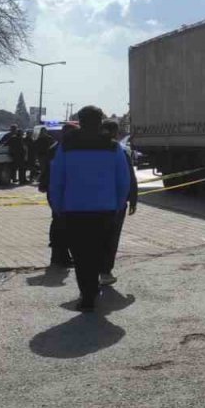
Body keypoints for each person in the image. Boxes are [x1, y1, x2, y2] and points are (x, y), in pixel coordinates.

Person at [49, 108, 129, 310]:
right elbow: (123, 180)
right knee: (99, 251)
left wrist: (57, 206)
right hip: (105, 209)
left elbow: (56, 180)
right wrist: (119, 205)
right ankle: (92, 289)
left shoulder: (66, 146)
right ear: (100, 122)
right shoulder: (113, 147)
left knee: (81, 255)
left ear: (80, 122)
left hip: (73, 209)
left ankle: (87, 295)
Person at [98, 119, 138, 286]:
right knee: (111, 238)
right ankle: (105, 272)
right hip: (114, 204)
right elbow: (128, 178)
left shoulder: (89, 148)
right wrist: (132, 199)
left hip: (90, 202)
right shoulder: (120, 150)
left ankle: (92, 272)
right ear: (116, 132)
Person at [37, 124, 71, 267]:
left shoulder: (56, 147)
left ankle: (60, 256)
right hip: (60, 190)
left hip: (55, 190)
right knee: (61, 223)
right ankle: (60, 257)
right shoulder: (62, 149)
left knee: (58, 221)